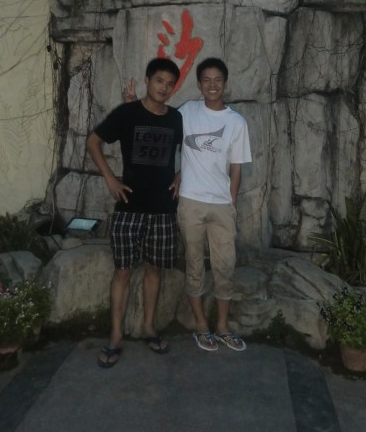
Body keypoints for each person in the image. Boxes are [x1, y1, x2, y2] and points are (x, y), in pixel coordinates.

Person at [86, 57, 183, 367]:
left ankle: (148, 327)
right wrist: (110, 178)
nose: (164, 88)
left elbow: (192, 151)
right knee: (123, 271)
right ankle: (115, 335)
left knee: (155, 270)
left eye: (170, 84)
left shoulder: (176, 118)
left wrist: (181, 173)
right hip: (129, 208)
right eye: (159, 81)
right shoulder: (127, 113)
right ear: (147, 81)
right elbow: (93, 142)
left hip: (163, 210)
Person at [178, 57, 252, 352]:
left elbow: (237, 167)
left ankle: (222, 326)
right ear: (199, 84)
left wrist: (231, 202)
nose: (212, 85)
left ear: (225, 83)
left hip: (221, 205)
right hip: (191, 202)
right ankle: (201, 325)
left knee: (225, 266)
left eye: (217, 80)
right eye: (206, 80)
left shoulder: (236, 122)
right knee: (194, 264)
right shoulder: (187, 112)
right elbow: (161, 127)